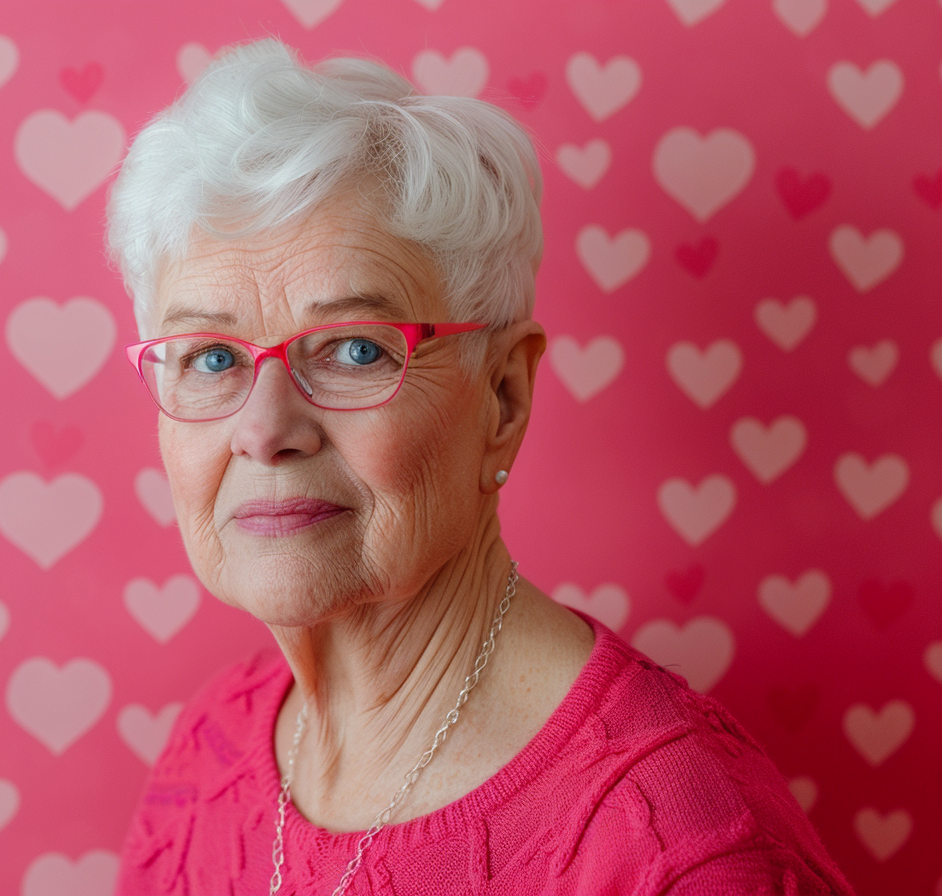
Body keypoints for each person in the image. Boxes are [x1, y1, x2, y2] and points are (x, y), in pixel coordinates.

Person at [105, 38, 854, 896]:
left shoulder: (683, 846)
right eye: (210, 358)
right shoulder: (211, 750)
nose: (265, 428)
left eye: (354, 349)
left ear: (502, 399)